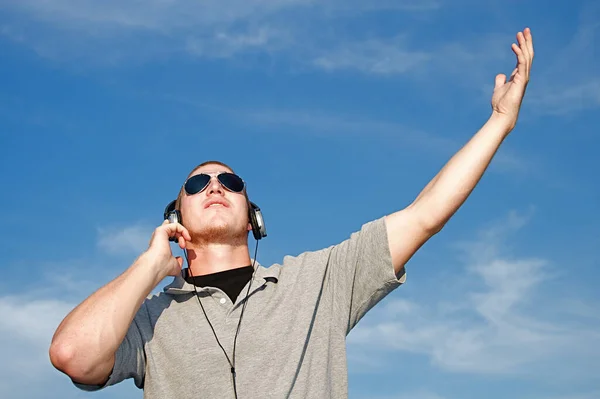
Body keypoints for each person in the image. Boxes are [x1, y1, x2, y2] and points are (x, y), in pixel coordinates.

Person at [49, 28, 534, 398]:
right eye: (198, 184)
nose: (215, 186)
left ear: (253, 217)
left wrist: (500, 122)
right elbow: (72, 356)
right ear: (175, 218)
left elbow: (425, 213)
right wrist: (150, 266)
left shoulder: (318, 282)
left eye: (230, 182)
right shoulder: (148, 318)